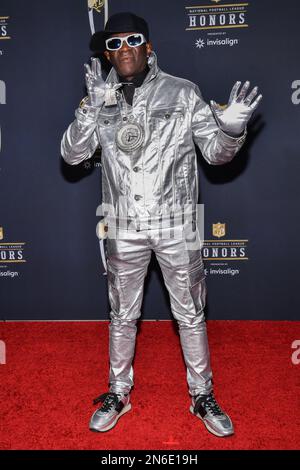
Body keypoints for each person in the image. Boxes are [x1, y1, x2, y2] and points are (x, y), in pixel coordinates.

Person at [61, 12, 262, 437]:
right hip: (122, 225)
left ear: (148, 46)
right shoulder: (100, 97)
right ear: (107, 55)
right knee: (122, 314)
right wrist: (90, 109)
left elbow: (216, 154)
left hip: (178, 224)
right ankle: (119, 392)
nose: (124, 48)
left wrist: (230, 132)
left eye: (133, 39)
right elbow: (73, 155)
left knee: (190, 314)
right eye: (113, 44)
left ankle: (202, 395)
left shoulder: (184, 92)